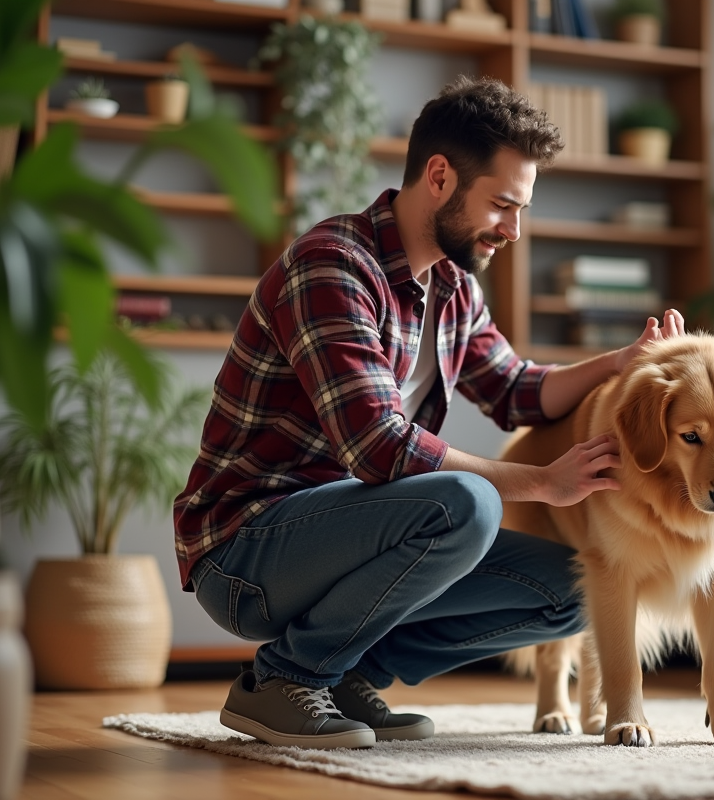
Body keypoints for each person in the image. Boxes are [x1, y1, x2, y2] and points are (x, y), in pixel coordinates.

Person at [172, 76, 685, 750]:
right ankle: (283, 680)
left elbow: (515, 391)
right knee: (463, 504)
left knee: (574, 589)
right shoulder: (333, 267)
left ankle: (346, 672)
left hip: (344, 540)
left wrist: (622, 360)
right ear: (439, 177)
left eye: (522, 208)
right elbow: (378, 448)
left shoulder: (452, 286)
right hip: (246, 555)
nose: (515, 230)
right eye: (503, 205)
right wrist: (542, 483)